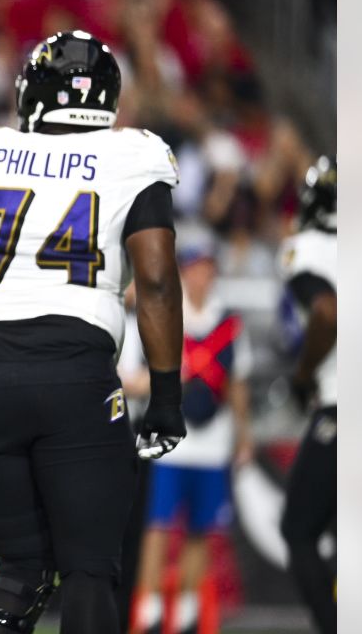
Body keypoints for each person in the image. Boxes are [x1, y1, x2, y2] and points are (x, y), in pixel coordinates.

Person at [0, 30, 187, 634]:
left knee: (20, 568)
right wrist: (165, 395)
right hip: (77, 376)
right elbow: (156, 281)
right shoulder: (133, 155)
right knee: (87, 570)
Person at [132, 232, 254, 634]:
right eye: (194, 268)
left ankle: (185, 608)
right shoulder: (165, 316)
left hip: (213, 440)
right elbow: (138, 376)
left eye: (206, 268)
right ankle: (148, 607)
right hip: (170, 441)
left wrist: (243, 433)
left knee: (202, 528)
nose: (200, 276)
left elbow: (238, 383)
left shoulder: (230, 325)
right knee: (159, 525)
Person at [278, 156, 337, 634]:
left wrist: (303, 376)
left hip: (343, 409)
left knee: (299, 529)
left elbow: (327, 312)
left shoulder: (309, 248)